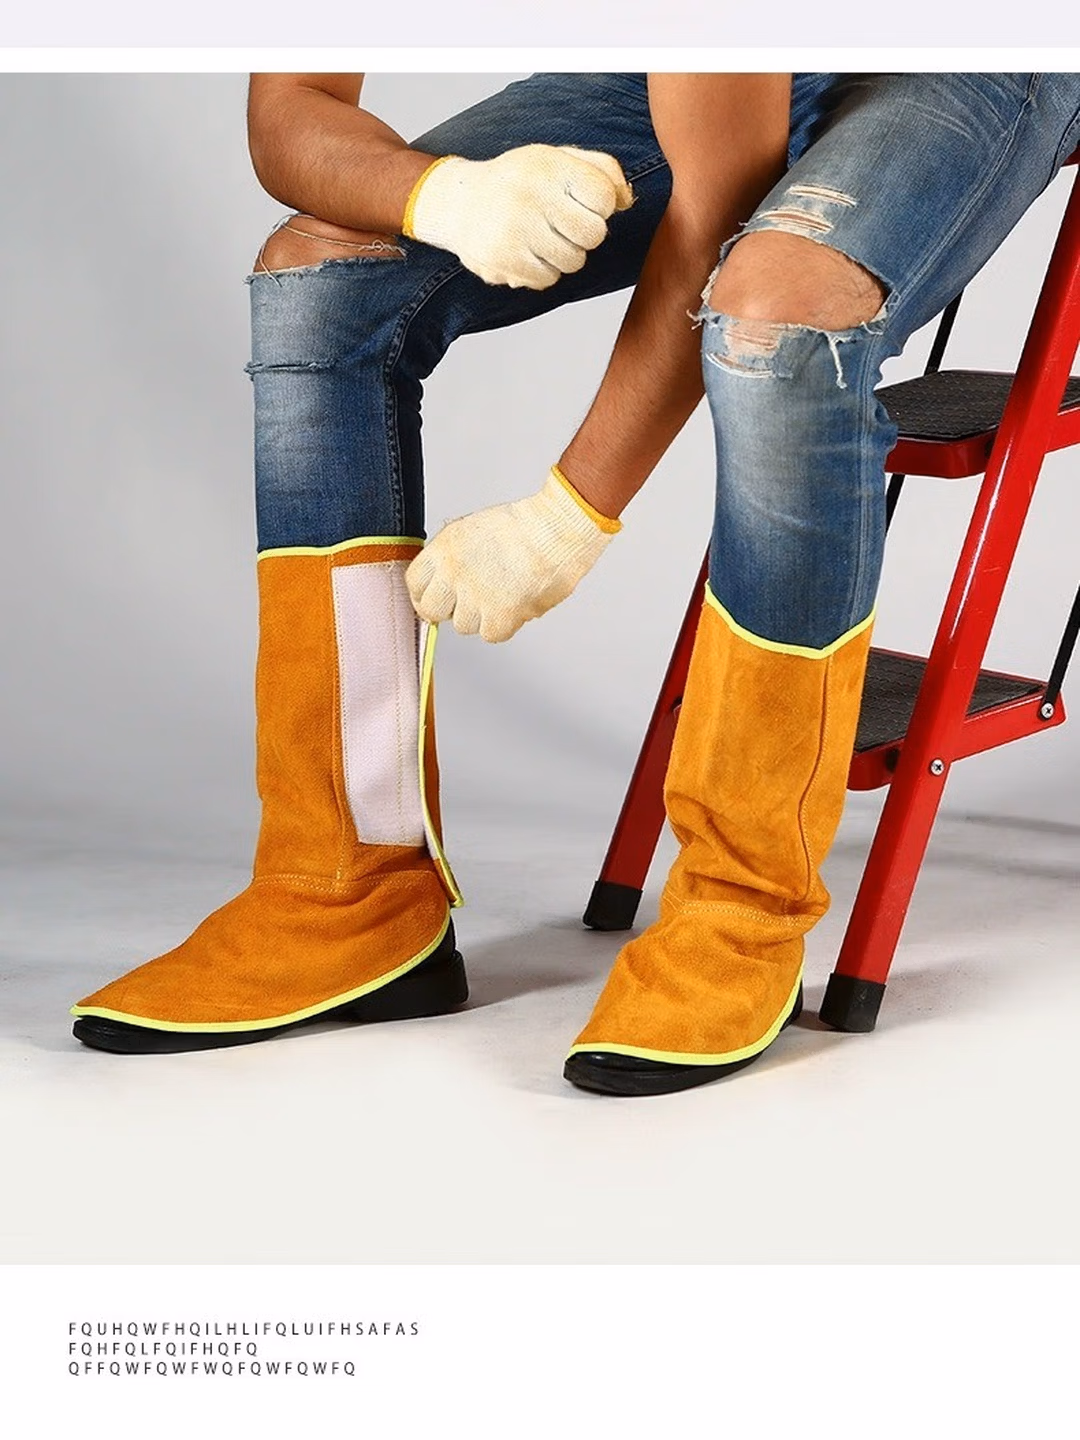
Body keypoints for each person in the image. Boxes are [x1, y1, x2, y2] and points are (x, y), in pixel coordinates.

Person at [71, 73, 1080, 1096]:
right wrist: (440, 197)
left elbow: (718, 215)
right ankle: (345, 889)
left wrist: (567, 515)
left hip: (963, 54)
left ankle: (741, 910)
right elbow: (290, 115)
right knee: (322, 272)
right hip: (708, 73)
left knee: (776, 319)